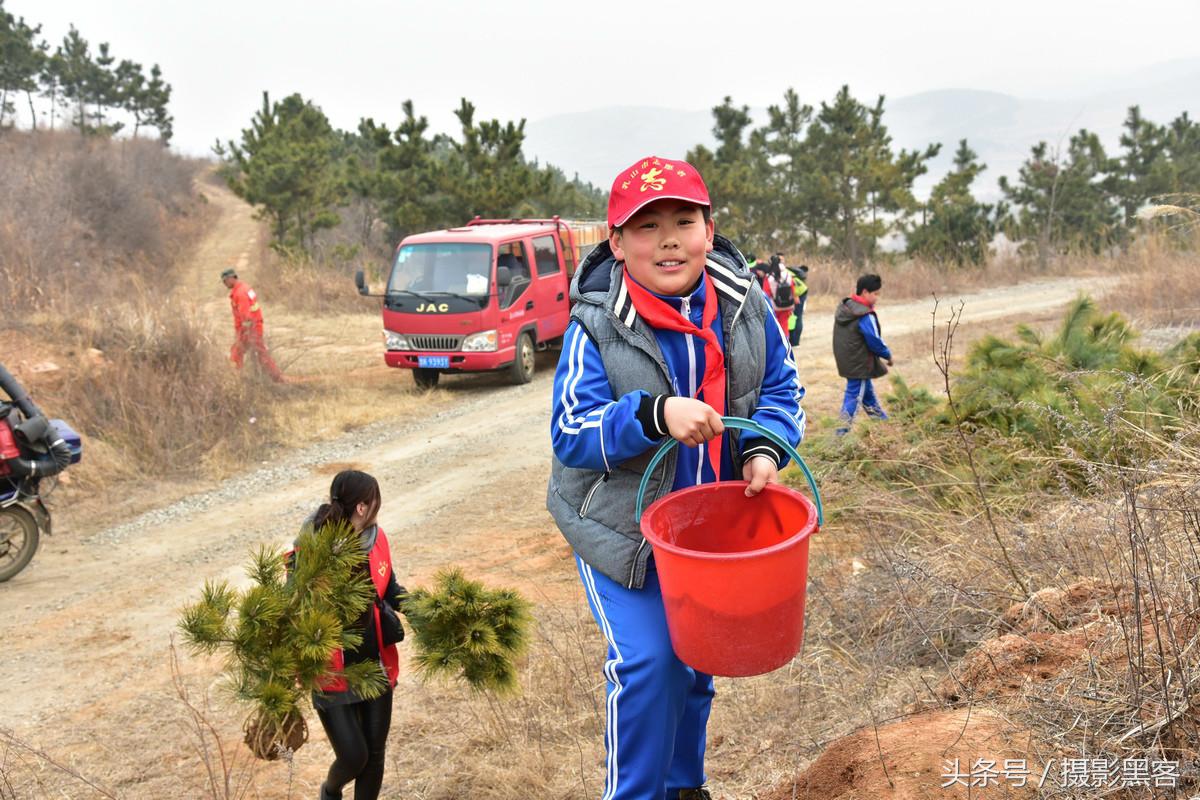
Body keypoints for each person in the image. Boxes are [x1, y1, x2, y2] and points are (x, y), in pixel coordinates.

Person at [547, 156, 805, 800]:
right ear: (616, 243)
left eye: (683, 221)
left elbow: (781, 388)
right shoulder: (595, 325)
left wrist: (762, 452)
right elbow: (571, 432)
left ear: (708, 230)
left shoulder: (747, 306)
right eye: (645, 226)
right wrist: (656, 414)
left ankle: (686, 786)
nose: (668, 240)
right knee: (649, 663)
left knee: (696, 658)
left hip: (706, 529)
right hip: (620, 528)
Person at [297, 470, 405, 800]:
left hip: (375, 664)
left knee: (374, 758)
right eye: (374, 502)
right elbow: (293, 606)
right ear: (361, 507)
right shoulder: (314, 549)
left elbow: (389, 590)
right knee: (354, 757)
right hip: (332, 671)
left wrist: (424, 608)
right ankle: (330, 793)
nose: (377, 508)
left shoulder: (377, 538)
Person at [832, 273, 893, 435]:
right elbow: (874, 340)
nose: (877, 297)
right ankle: (841, 434)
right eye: (876, 293)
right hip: (859, 363)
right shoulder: (864, 314)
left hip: (848, 361)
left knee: (868, 396)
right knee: (853, 398)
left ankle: (883, 423)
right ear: (865, 292)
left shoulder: (847, 307)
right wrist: (888, 355)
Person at [222, 267, 284, 382]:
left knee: (239, 353)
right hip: (254, 326)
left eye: (225, 281)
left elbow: (246, 316)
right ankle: (276, 377)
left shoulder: (240, 293)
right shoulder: (245, 288)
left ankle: (235, 379)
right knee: (258, 354)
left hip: (250, 329)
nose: (224, 284)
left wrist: (243, 333)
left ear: (231, 278)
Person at [765, 254, 795, 334]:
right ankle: (786, 343)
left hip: (774, 305)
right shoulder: (788, 274)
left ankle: (777, 343)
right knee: (784, 325)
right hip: (788, 304)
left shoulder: (769, 277)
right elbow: (792, 289)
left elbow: (766, 293)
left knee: (775, 326)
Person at [788, 264, 810, 347]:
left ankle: (795, 341)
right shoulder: (782, 270)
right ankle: (793, 340)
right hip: (798, 291)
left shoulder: (781, 272)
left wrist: (795, 295)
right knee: (794, 317)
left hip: (799, 292)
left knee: (797, 316)